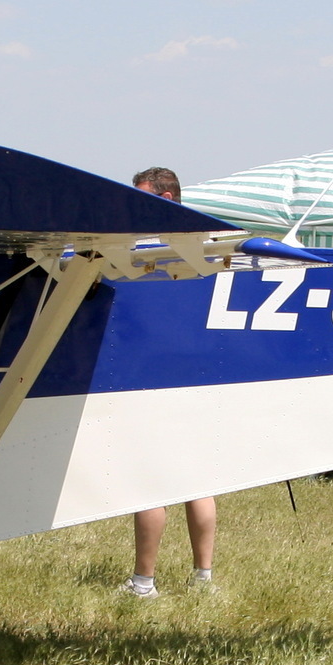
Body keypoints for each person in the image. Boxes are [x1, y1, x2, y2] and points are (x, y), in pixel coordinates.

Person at [123, 166, 217, 597]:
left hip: (155, 378)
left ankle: (144, 582)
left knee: (151, 483)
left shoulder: (143, 251)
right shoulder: (207, 246)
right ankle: (203, 578)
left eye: (144, 198)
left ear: (169, 198)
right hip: (197, 375)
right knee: (197, 482)